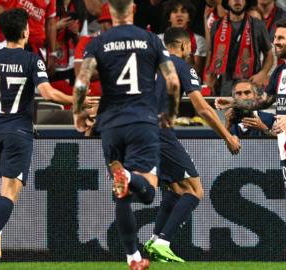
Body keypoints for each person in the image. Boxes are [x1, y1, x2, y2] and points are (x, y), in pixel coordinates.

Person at [72, 0, 180, 269]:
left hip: (110, 124)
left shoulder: (98, 41)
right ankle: (129, 175)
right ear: (133, 8)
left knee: (121, 194)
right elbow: (173, 81)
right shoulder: (151, 40)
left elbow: (81, 82)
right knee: (148, 194)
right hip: (142, 121)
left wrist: (78, 114)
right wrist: (171, 113)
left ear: (110, 10)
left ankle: (132, 257)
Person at [0, 8, 75, 264]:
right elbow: (48, 94)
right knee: (11, 192)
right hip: (18, 131)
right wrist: (75, 99)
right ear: (25, 31)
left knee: (6, 188)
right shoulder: (31, 59)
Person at [215, 19, 286, 263]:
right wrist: (233, 103)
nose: (275, 43)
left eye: (281, 39)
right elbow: (265, 100)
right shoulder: (280, 71)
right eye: (275, 39)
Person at [143, 27, 240, 263]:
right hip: (160, 131)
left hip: (139, 130)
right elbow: (202, 108)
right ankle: (164, 242)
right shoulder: (181, 66)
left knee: (175, 189)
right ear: (185, 46)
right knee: (195, 190)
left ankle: (155, 240)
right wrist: (228, 136)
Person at [206, 0, 273, 96]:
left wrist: (262, 74)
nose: (237, 1)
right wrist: (209, 73)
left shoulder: (258, 25)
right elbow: (211, 51)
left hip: (251, 82)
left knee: (249, 110)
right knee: (225, 110)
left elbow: (269, 54)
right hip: (225, 84)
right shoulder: (216, 25)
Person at [159, 0, 207, 76]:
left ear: (189, 18)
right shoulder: (158, 39)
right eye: (175, 11)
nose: (179, 15)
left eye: (183, 11)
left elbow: (196, 70)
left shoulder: (199, 40)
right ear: (169, 17)